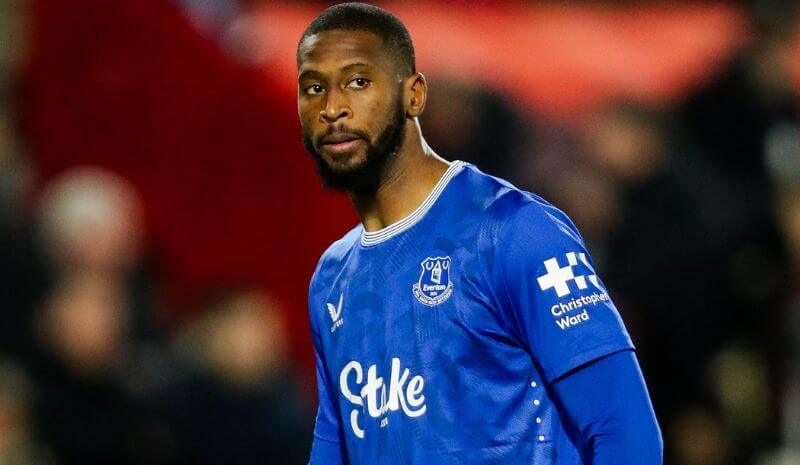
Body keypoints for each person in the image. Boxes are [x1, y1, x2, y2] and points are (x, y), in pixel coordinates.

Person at [297, 3, 663, 464]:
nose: (332, 108)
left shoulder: (515, 233)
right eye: (313, 88)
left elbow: (624, 430)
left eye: (358, 82)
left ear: (413, 95)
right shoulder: (333, 278)